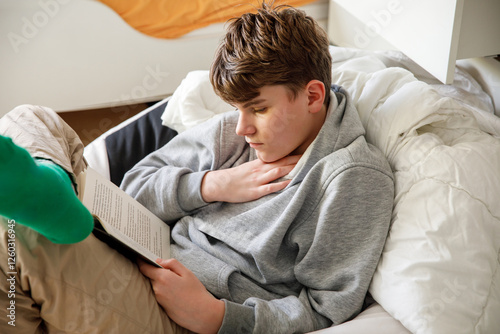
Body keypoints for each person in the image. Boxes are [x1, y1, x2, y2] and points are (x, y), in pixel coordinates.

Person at [0, 3, 394, 333]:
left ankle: (51, 202)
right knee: (30, 118)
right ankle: (53, 191)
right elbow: (134, 185)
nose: (243, 127)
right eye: (237, 110)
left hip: (179, 316)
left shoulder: (351, 178)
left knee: (17, 238)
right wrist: (211, 185)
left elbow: (327, 310)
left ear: (312, 96)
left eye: (258, 109)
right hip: (142, 248)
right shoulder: (235, 133)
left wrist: (218, 316)